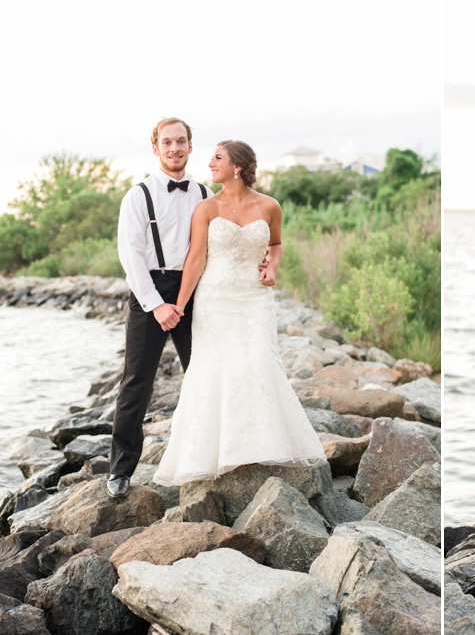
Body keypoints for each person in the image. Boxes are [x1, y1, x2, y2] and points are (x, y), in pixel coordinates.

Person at [152, 139, 325, 486]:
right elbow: (196, 259)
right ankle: (215, 453)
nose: (210, 164)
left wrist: (272, 267)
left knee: (258, 362)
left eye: (218, 158)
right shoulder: (206, 209)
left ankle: (261, 445)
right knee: (215, 369)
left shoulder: (270, 206)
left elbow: (275, 245)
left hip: (255, 300)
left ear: (237, 168)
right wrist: (180, 306)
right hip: (215, 300)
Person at [108, 117, 213, 499]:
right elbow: (130, 255)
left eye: (181, 141)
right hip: (149, 290)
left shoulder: (205, 193)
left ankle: (205, 456)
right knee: (137, 382)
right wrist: (157, 305)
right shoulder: (138, 196)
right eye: (167, 143)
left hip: (194, 290)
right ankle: (120, 470)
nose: (174, 148)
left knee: (203, 375)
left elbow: (214, 247)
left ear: (189, 146)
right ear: (156, 149)